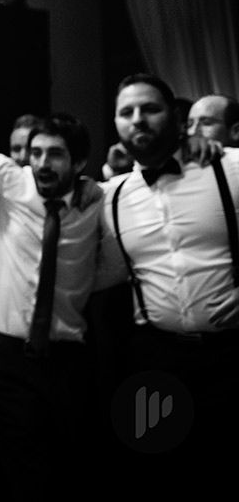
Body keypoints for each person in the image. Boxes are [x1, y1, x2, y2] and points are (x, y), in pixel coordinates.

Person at [98, 73, 239, 500]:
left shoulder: (230, 168)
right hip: (154, 359)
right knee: (160, 476)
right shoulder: (111, 196)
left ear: (177, 117)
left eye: (150, 109)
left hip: (230, 356)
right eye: (126, 112)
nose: (137, 119)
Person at [0, 113, 111, 502]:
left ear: (79, 162)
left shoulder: (98, 200)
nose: (42, 164)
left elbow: (113, 266)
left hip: (68, 362)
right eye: (36, 153)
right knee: (22, 474)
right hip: (4, 358)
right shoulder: (13, 182)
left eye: (55, 154)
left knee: (74, 468)